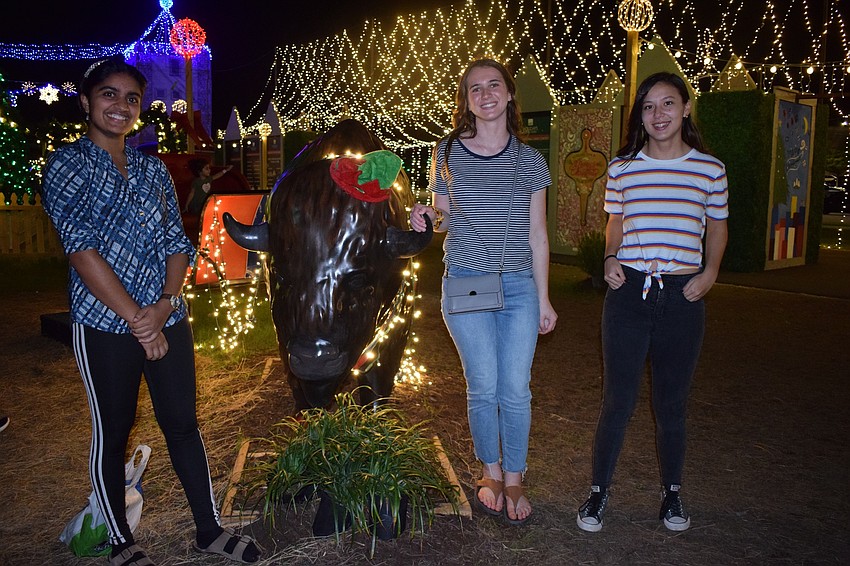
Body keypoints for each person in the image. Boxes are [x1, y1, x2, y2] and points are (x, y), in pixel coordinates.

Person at [41, 57, 260, 566]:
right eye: (109, 95)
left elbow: (175, 242)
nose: (120, 106)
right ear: (87, 102)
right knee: (113, 432)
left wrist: (162, 307)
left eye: (131, 98)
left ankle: (210, 531)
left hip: (166, 319)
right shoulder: (67, 165)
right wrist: (138, 321)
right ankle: (121, 542)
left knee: (183, 424)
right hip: (104, 327)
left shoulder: (150, 168)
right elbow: (81, 249)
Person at [575, 72, 729, 533]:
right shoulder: (623, 167)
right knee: (617, 401)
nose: (657, 115)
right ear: (639, 116)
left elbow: (717, 227)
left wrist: (710, 273)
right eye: (648, 107)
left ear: (685, 109)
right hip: (629, 295)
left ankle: (673, 496)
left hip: (683, 297)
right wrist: (608, 258)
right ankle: (598, 493)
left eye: (667, 104)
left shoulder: (710, 169)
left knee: (671, 403)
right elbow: (615, 223)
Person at [409, 58, 557, 526]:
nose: (486, 94)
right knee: (483, 386)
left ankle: (515, 477)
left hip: (518, 288)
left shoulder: (531, 161)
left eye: (494, 85)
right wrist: (428, 218)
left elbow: (538, 235)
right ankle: (489, 472)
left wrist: (545, 297)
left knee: (515, 390)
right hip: (467, 285)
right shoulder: (446, 152)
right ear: (466, 100)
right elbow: (444, 216)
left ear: (510, 94)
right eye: (475, 88)